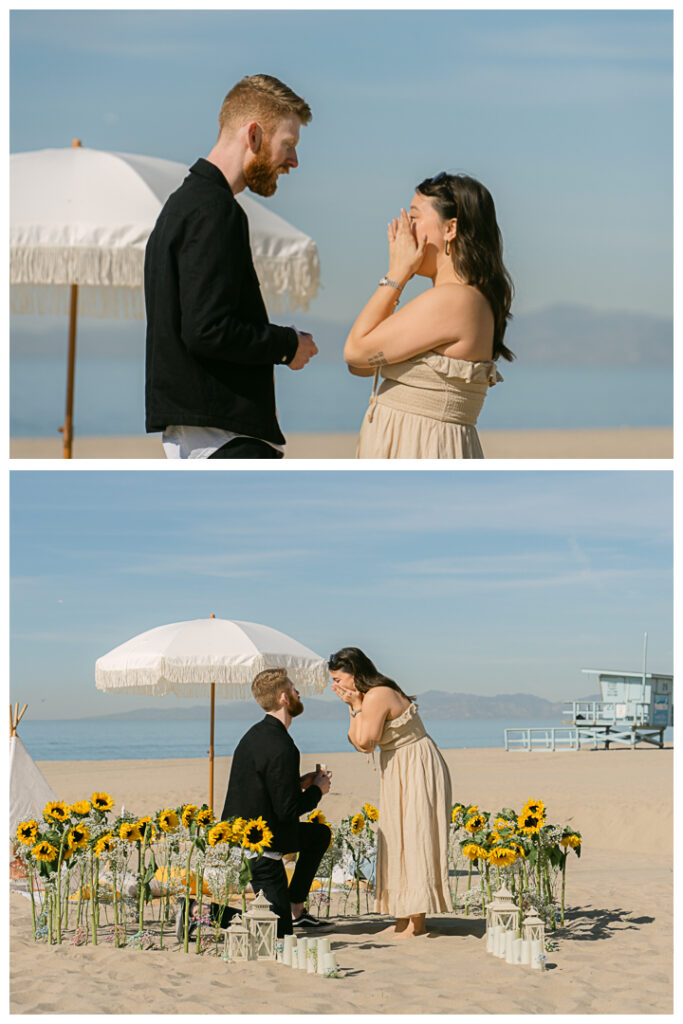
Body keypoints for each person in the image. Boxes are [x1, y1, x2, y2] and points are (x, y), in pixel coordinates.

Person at [145, 74, 318, 459]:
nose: (293, 161)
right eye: (287, 144)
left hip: (203, 436)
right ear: (253, 135)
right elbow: (207, 330)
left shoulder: (184, 206)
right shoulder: (215, 210)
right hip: (223, 439)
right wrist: (288, 345)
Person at [344, 172, 515, 458]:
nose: (404, 230)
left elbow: (355, 352)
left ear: (451, 229)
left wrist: (397, 273)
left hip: (421, 447)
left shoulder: (455, 300)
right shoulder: (463, 299)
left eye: (414, 219)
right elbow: (361, 366)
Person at [328, 647, 451, 938]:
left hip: (416, 764)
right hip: (397, 766)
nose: (335, 686)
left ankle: (417, 923)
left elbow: (367, 742)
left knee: (415, 835)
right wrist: (353, 706)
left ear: (355, 674)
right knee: (396, 837)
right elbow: (358, 742)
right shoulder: (365, 699)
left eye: (338, 679)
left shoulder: (378, 694)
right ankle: (402, 918)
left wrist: (356, 703)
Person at [221, 668, 332, 936]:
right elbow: (288, 810)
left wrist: (300, 783)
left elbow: (266, 788)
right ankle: (195, 912)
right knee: (278, 932)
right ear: (284, 697)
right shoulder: (282, 746)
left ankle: (295, 906)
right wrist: (318, 791)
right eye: (294, 689)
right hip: (260, 847)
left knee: (318, 834)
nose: (298, 693)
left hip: (251, 833)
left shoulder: (256, 734)